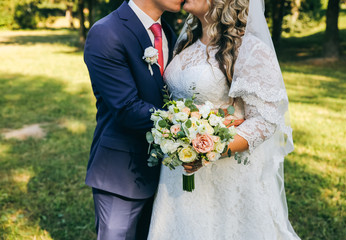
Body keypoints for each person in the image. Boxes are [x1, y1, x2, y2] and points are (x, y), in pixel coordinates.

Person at [147, 0, 301, 239]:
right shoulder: (186, 43)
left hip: (221, 172)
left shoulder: (250, 49)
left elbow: (265, 119)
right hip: (177, 172)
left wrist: (208, 148)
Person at [83, 0, 182, 239]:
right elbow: (127, 108)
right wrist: (188, 126)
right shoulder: (107, 32)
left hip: (166, 171)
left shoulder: (168, 32)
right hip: (122, 172)